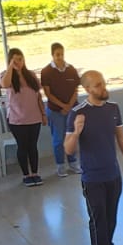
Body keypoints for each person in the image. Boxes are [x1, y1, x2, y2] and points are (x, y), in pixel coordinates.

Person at [64, 70, 123, 245]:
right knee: (98, 220)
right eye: (98, 85)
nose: (103, 88)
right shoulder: (77, 113)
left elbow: (122, 139)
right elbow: (68, 150)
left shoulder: (113, 108)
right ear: (87, 89)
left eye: (103, 83)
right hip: (92, 178)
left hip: (113, 175)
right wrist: (76, 132)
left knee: (111, 218)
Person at [0, 47, 46, 186]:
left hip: (34, 117)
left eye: (20, 59)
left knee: (33, 146)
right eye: (14, 60)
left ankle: (35, 173)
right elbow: (5, 84)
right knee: (22, 146)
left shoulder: (31, 75)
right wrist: (11, 68)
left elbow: (38, 96)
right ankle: (26, 175)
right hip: (17, 119)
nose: (18, 63)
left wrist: (43, 114)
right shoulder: (5, 75)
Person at [41, 42, 82, 178]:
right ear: (52, 55)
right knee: (58, 140)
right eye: (57, 55)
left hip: (72, 110)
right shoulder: (46, 72)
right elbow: (48, 94)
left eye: (62, 54)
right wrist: (63, 106)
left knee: (72, 136)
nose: (60, 57)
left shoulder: (71, 70)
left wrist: (69, 106)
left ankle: (73, 163)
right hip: (55, 111)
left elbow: (75, 90)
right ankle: (60, 166)